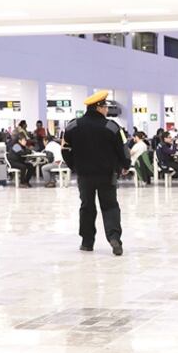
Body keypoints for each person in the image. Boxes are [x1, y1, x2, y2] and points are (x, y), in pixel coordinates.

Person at [62, 91, 130, 255]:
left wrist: (75, 167)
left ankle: (87, 242)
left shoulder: (73, 126)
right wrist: (125, 165)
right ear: (98, 107)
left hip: (84, 176)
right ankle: (114, 238)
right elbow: (123, 148)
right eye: (105, 106)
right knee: (110, 206)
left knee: (87, 207)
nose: (107, 109)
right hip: (107, 175)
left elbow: (65, 149)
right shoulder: (112, 126)